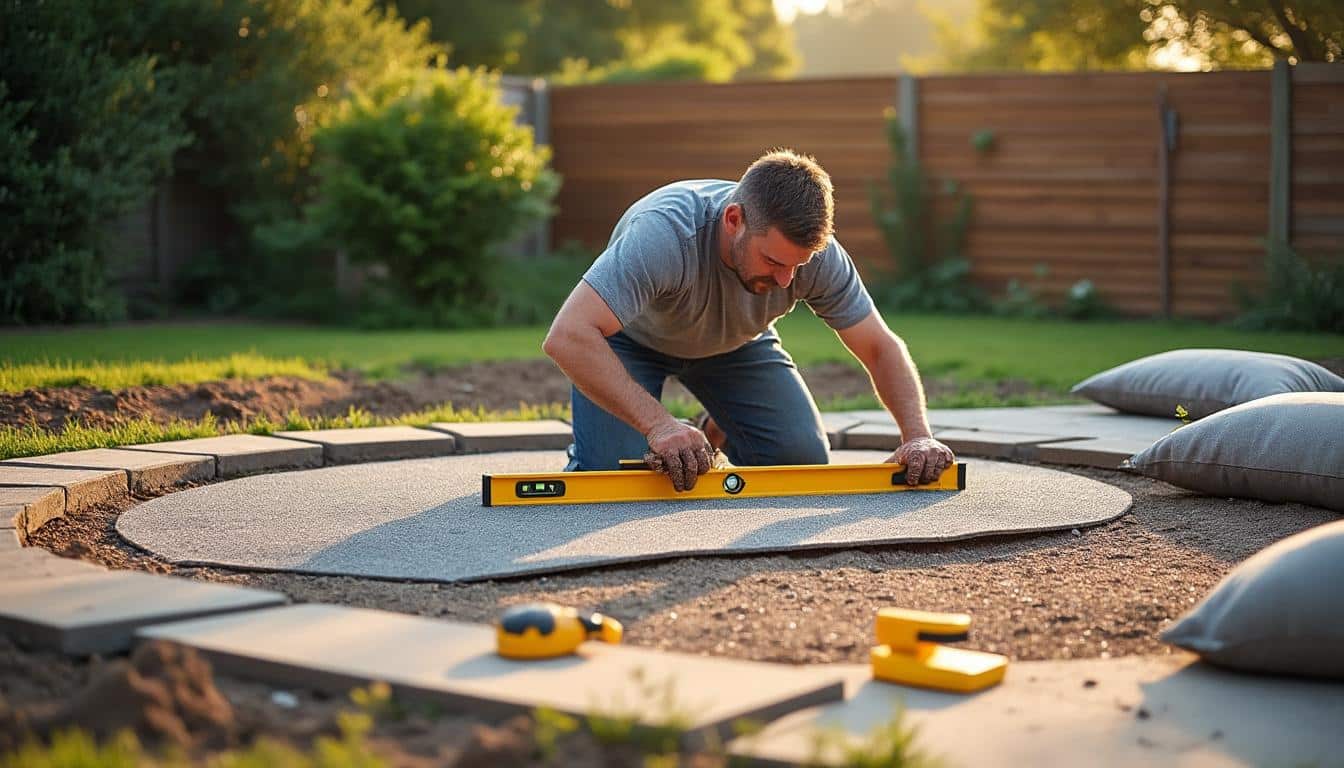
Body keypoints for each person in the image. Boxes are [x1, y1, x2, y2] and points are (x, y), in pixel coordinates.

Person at [542, 149, 955, 492]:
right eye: (773, 261)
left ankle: (716, 426)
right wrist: (660, 425)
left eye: (799, 265)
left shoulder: (817, 256)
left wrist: (917, 434)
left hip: (736, 345)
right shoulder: (664, 234)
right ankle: (603, 450)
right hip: (632, 342)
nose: (785, 280)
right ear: (734, 220)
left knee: (799, 463)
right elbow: (568, 336)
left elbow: (880, 346)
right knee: (612, 479)